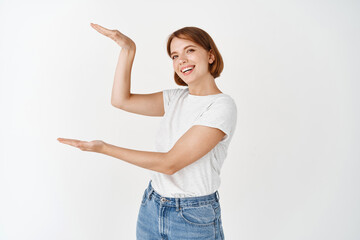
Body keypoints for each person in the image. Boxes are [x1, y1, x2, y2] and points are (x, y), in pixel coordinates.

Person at [57, 23, 237, 240]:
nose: (181, 60)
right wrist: (128, 50)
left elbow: (170, 163)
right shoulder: (175, 98)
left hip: (192, 218)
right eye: (174, 56)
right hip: (152, 206)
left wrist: (104, 148)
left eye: (190, 50)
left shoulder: (221, 106)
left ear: (210, 56)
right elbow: (121, 100)